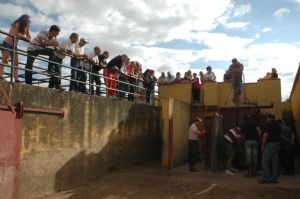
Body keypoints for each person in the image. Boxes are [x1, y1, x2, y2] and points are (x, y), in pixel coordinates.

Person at [1, 14, 32, 82]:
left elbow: (29, 37)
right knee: (5, 61)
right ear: (24, 19)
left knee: (16, 63)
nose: (29, 22)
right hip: (6, 44)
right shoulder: (17, 23)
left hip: (14, 46)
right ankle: (0, 76)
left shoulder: (25, 28)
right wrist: (26, 38)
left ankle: (16, 79)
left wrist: (28, 38)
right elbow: (15, 34)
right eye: (29, 20)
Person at [259, 114, 281, 184]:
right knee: (274, 162)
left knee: (264, 160)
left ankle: (266, 178)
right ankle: (274, 179)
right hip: (277, 144)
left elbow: (265, 135)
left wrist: (262, 145)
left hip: (270, 143)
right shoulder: (278, 125)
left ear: (268, 118)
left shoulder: (268, 124)